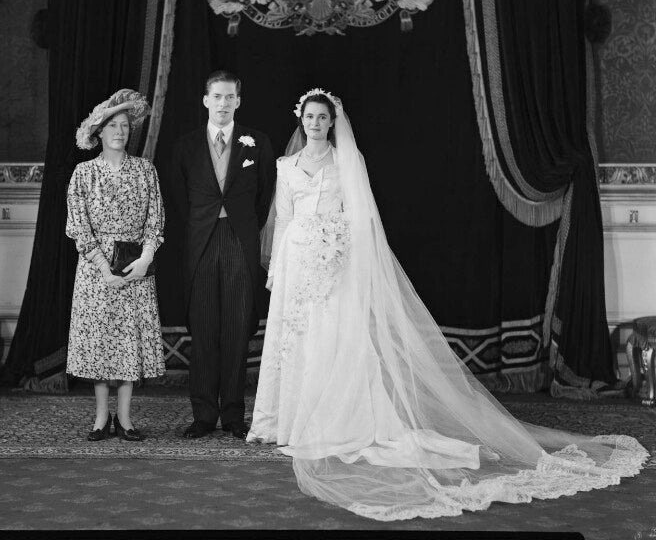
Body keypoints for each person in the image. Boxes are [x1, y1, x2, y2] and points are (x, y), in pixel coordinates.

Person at [248, 88, 648, 521]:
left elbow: (360, 218)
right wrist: (279, 272)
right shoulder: (285, 166)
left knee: (335, 344)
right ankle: (284, 421)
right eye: (309, 117)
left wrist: (339, 249)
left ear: (332, 122)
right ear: (300, 119)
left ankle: (333, 421)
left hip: (335, 264)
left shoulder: (348, 162)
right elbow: (283, 220)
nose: (315, 124)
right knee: (295, 343)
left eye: (322, 117)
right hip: (297, 266)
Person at [172, 70, 276, 439]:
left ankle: (233, 414)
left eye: (229, 97)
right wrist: (205, 224)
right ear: (205, 100)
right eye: (216, 96)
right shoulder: (185, 146)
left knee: (235, 329)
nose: (223, 103)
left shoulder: (258, 143)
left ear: (238, 101)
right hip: (200, 243)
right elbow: (180, 199)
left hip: (239, 241)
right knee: (202, 330)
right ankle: (202, 415)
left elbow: (265, 197)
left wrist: (241, 225)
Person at [66, 88, 166, 442]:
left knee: (128, 344)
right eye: (112, 126)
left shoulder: (145, 170)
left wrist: (145, 259)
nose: (120, 132)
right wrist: (102, 266)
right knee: (99, 343)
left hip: (136, 264)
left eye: (124, 126)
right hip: (96, 269)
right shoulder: (83, 173)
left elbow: (156, 221)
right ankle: (100, 417)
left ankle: (124, 418)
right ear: (99, 133)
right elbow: (78, 225)